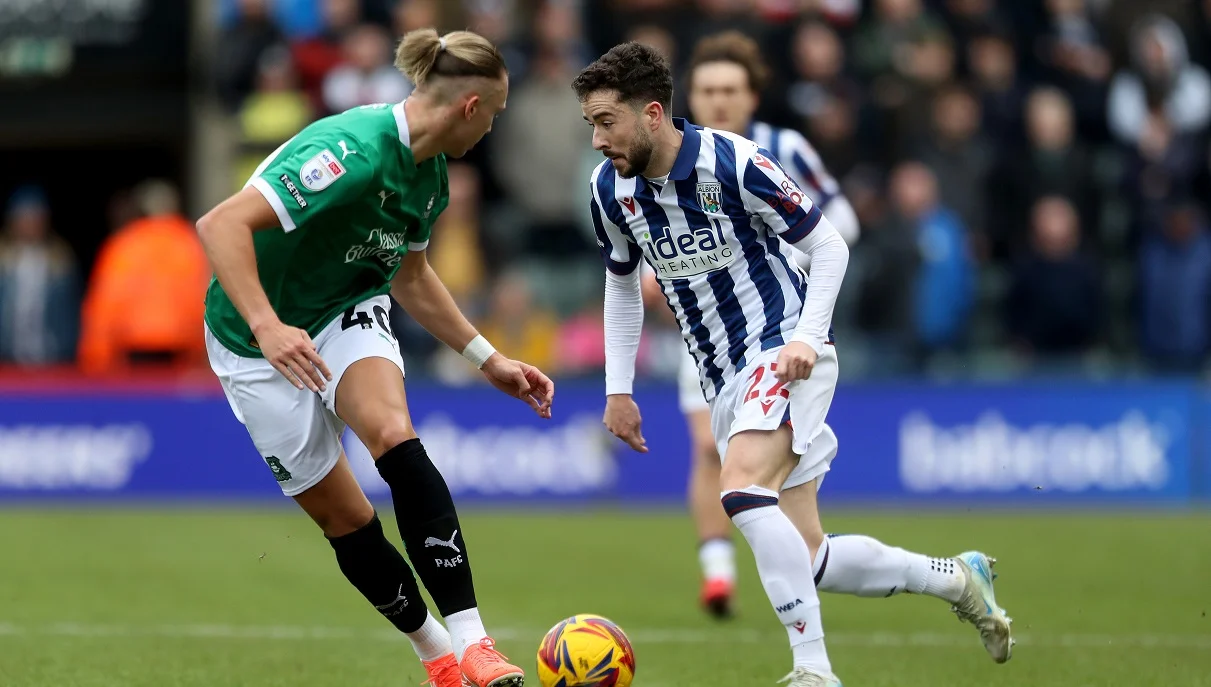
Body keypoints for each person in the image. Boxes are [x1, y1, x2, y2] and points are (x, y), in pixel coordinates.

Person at [573, 42, 1012, 686]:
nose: (595, 139)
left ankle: (814, 672)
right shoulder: (610, 188)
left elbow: (829, 242)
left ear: (652, 113)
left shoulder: (738, 161)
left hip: (782, 349)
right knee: (810, 556)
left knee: (740, 488)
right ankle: (956, 579)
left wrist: (807, 336)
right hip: (721, 373)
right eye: (590, 123)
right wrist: (619, 388)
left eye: (605, 121)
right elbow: (619, 282)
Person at [198, 28, 551, 687]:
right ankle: (437, 654)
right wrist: (268, 324)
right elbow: (220, 224)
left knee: (392, 433)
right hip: (251, 339)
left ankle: (475, 643)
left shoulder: (432, 177)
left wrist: (486, 356)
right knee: (346, 519)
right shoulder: (350, 150)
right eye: (495, 114)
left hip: (345, 311)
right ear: (470, 108)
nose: (492, 129)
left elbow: (410, 277)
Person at [660, 29, 861, 618]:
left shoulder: (783, 148)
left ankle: (795, 570)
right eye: (707, 90)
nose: (719, 101)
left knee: (749, 466)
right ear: (689, 97)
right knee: (705, 447)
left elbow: (839, 219)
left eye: (730, 90)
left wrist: (785, 261)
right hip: (703, 335)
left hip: (775, 325)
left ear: (752, 96)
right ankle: (718, 574)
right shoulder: (674, 158)